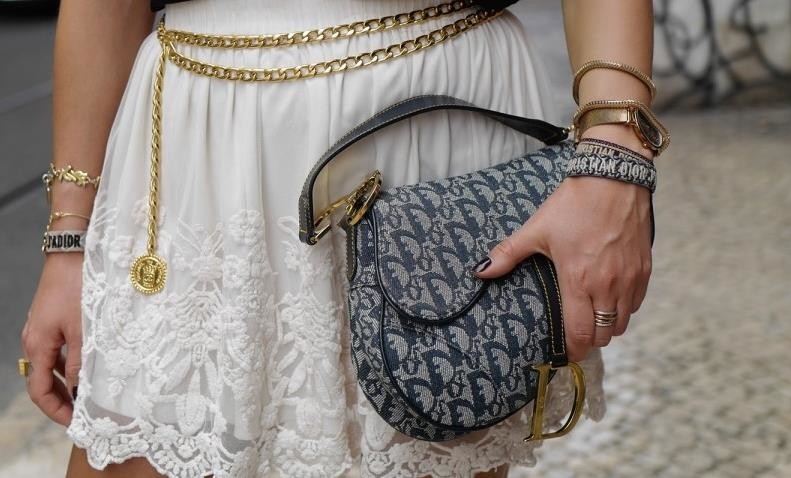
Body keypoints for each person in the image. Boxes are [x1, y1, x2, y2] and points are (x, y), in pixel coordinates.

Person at [19, 0, 656, 476]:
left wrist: (617, 153)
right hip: (201, 142)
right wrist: (70, 241)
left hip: (430, 120)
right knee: (140, 450)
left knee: (426, 447)